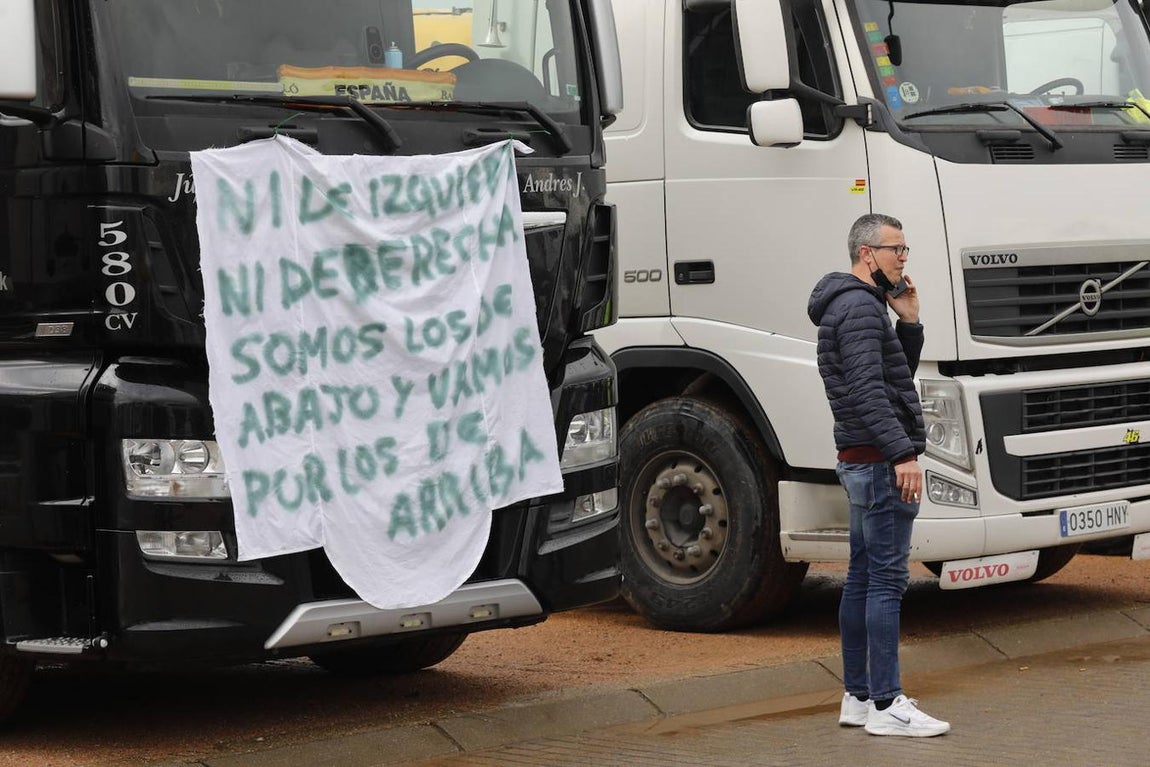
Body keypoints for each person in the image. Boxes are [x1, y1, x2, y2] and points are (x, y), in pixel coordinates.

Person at [806, 213, 950, 738]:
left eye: (906, 249)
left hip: (859, 459)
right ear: (867, 254)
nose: (903, 259)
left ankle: (859, 697)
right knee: (887, 581)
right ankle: (888, 705)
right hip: (879, 463)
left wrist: (909, 322)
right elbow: (869, 394)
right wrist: (902, 455)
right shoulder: (860, 310)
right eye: (896, 249)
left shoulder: (852, 307)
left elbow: (889, 376)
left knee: (863, 577)